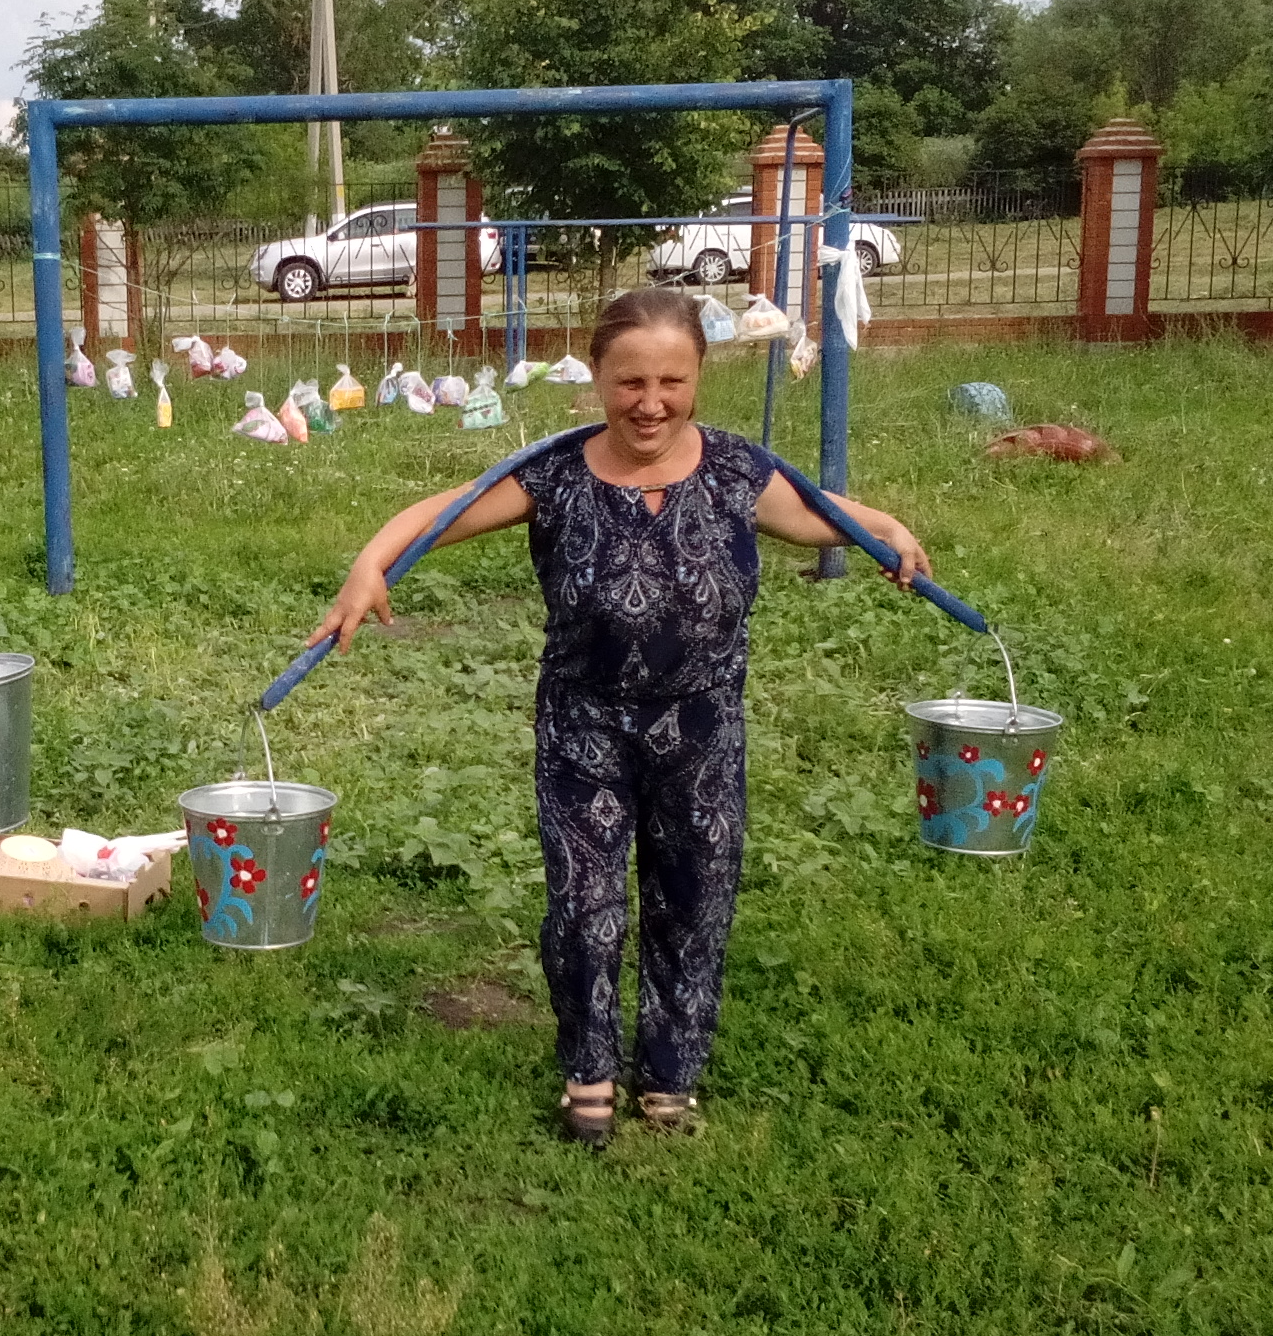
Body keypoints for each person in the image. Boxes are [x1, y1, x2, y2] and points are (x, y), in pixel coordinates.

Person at [308, 288, 932, 1148]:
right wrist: (367, 565)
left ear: (699, 375)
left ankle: (671, 1074)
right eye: (629, 380)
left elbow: (825, 519)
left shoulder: (738, 473)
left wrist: (889, 527)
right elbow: (440, 512)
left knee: (694, 901)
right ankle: (589, 1072)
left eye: (672, 381)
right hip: (583, 730)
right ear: (596, 376)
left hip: (703, 734)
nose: (651, 402)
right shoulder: (555, 473)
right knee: (583, 907)